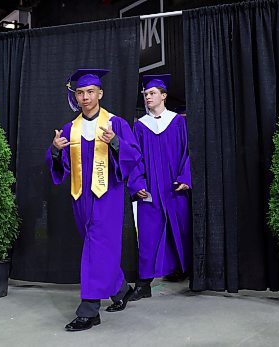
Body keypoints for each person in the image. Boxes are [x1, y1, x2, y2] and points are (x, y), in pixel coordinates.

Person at [46, 69, 141, 332]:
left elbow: (133, 155)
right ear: (75, 96)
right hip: (79, 198)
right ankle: (121, 290)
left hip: (107, 197)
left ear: (100, 93)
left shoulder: (115, 124)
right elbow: (59, 165)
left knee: (95, 250)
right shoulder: (69, 128)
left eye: (90, 92)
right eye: (80, 92)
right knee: (99, 250)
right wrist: (55, 151)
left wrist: (116, 143)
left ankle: (89, 311)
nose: (85, 97)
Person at [127, 74, 192, 301]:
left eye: (152, 93)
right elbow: (134, 159)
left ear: (164, 96)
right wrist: (138, 184)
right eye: (145, 94)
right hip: (151, 190)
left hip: (175, 187)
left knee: (181, 230)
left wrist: (186, 177)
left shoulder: (178, 122)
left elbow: (188, 152)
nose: (148, 97)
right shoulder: (140, 127)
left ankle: (187, 274)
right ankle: (143, 284)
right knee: (148, 235)